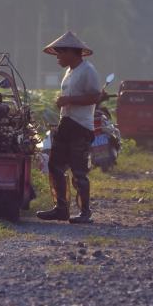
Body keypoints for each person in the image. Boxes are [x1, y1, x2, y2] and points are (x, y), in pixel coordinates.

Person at [36, 31, 101, 224]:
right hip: (66, 123)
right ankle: (60, 208)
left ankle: (85, 211)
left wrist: (68, 100)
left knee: (79, 171)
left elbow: (95, 96)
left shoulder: (88, 70)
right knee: (55, 165)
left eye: (60, 53)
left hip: (80, 126)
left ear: (72, 53)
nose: (57, 57)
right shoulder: (70, 72)